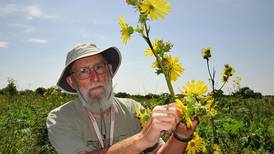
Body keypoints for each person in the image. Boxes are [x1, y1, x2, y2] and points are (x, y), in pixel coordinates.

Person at [47, 43, 199, 154]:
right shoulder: (60, 118)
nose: (95, 77)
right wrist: (141, 139)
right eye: (83, 71)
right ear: (71, 82)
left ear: (110, 70)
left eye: (99, 67)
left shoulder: (134, 110)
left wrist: (181, 136)